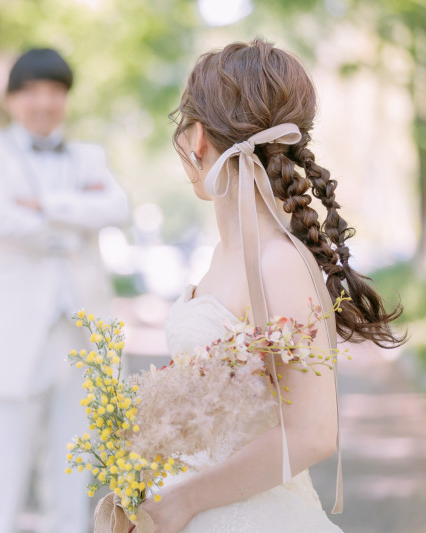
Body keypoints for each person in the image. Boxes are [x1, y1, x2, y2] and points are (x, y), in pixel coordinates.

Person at [127, 38, 406, 533]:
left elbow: (314, 433)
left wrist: (184, 501)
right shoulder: (223, 254)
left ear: (197, 139)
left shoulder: (277, 262)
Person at [0, 48, 130, 533]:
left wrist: (44, 204)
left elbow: (117, 206)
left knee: (72, 472)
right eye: (31, 91)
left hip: (80, 335)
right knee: (0, 474)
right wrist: (74, 222)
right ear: (13, 98)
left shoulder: (91, 156)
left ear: (66, 99)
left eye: (54, 91)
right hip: (12, 334)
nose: (43, 103)